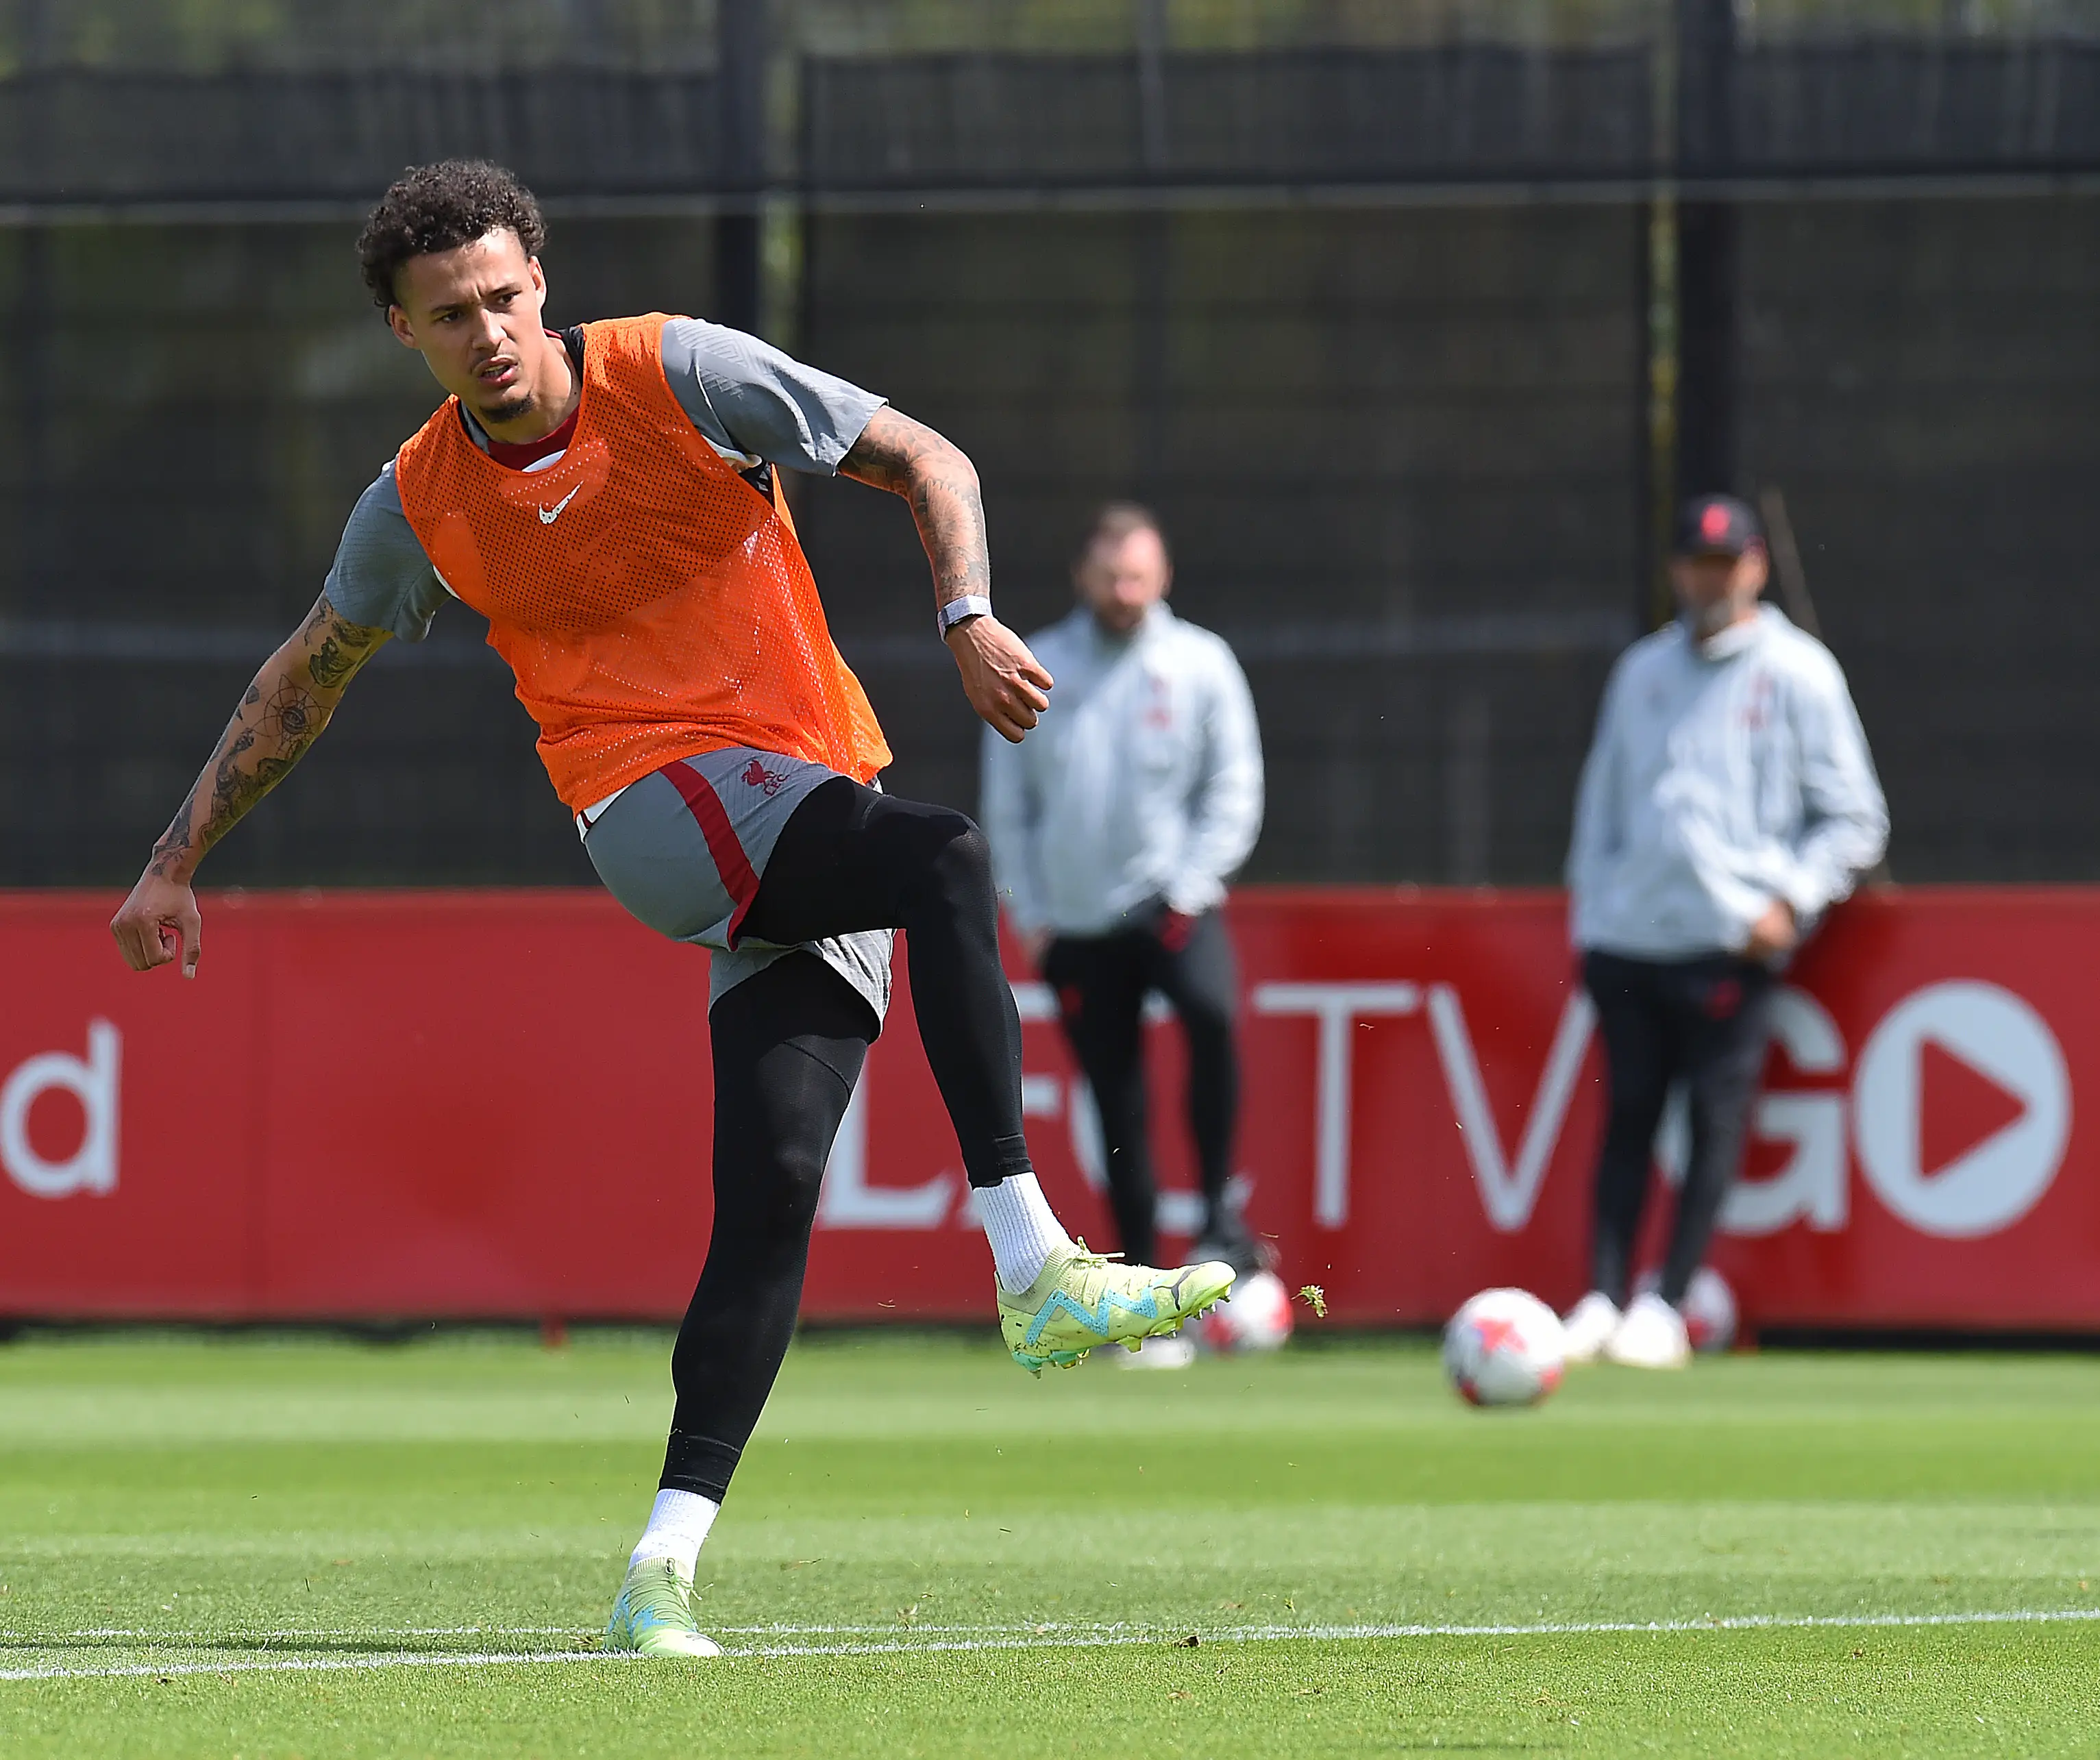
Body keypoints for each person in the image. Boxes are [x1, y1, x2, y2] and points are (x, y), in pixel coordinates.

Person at [103, 160, 1233, 1659]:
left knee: (771, 1193)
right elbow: (307, 673)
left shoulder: (679, 371)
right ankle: (1034, 1263)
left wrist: (963, 613)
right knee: (946, 855)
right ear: (404, 334)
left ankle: (657, 1570)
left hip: (797, 802)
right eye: (450, 316)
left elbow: (927, 459)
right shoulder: (419, 498)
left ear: (541, 286)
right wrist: (176, 856)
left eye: (504, 297)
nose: (488, 332)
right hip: (651, 813)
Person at [1561, 493, 1887, 1369]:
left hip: (1728, 938)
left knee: (1713, 1121)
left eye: (1726, 563)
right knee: (1626, 1119)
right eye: (1697, 564)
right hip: (1631, 935)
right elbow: (1603, 807)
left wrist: (1789, 903)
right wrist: (1590, 917)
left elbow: (1854, 817)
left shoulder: (1798, 672)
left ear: (1754, 567)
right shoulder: (1642, 672)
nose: (1711, 579)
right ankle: (1599, 1295)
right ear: (1677, 571)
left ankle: (1666, 1300)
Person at [981, 506, 1265, 1370]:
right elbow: (1009, 803)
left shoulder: (1200, 663)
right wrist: (1031, 913)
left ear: (1164, 577)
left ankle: (1219, 1213)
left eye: (1139, 575)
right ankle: (1142, 1291)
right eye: (1111, 575)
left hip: (1173, 904)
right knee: (1117, 1100)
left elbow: (1235, 787)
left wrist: (1192, 883)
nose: (1124, 590)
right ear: (1084, 577)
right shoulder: (1040, 662)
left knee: (1214, 1017)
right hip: (1077, 921)